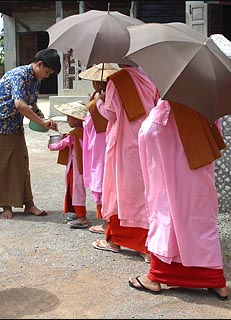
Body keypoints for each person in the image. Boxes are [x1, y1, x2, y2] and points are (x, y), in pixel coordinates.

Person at [128, 99, 229, 298]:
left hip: (170, 175)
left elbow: (149, 132)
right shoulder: (205, 104)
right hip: (199, 171)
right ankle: (216, 281)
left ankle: (155, 278)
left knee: (167, 220)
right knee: (201, 222)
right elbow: (217, 134)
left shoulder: (167, 105)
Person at [0, 48, 61, 219]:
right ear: (39, 64)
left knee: (20, 162)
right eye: (47, 71)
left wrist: (44, 118)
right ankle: (5, 205)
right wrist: (41, 122)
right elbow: (20, 104)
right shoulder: (19, 75)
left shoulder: (36, 79)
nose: (47, 75)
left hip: (13, 124)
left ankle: (29, 204)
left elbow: (32, 103)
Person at [91, 63, 160, 263]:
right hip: (145, 138)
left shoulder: (117, 79)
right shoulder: (148, 76)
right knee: (143, 189)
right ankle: (146, 246)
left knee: (120, 189)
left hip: (123, 142)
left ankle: (115, 241)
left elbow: (110, 113)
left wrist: (99, 101)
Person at [77, 63, 120, 234]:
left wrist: (95, 103)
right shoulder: (107, 96)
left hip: (101, 144)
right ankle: (108, 221)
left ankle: (106, 223)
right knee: (104, 178)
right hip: (105, 142)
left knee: (101, 179)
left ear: (97, 83)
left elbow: (93, 121)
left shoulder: (101, 99)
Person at [48, 101, 89, 229]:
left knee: (76, 190)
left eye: (69, 117)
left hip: (76, 166)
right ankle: (77, 213)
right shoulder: (83, 131)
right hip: (80, 165)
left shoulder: (74, 134)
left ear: (76, 119)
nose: (67, 120)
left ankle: (81, 217)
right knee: (76, 189)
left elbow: (60, 145)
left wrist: (50, 145)